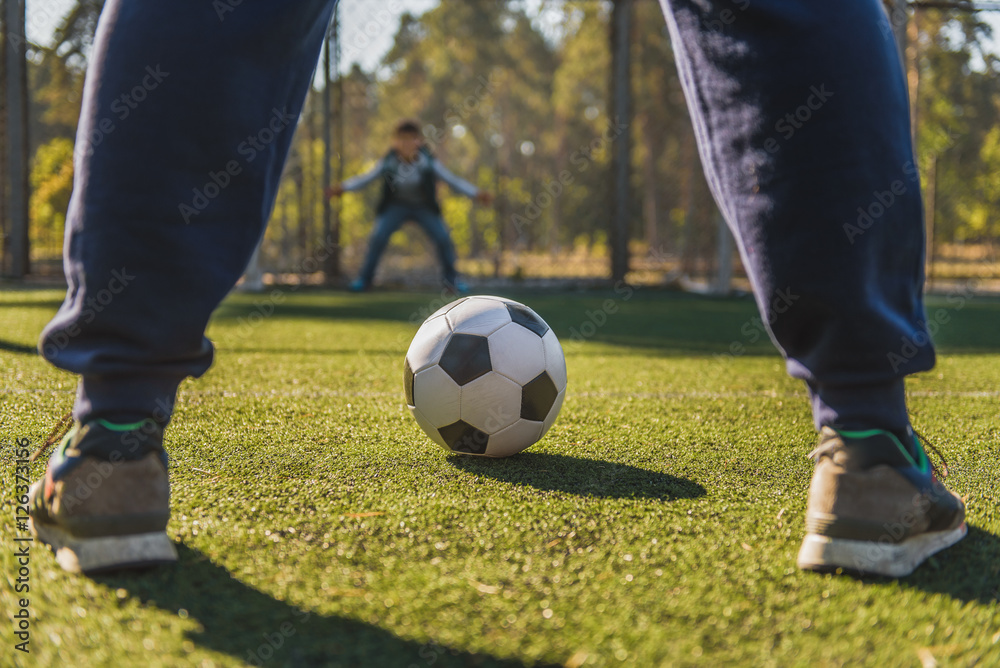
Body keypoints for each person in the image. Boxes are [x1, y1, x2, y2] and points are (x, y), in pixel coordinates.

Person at [30, 0, 964, 577]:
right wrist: (357, 190)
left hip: (426, 214)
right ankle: (870, 447)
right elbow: (370, 188)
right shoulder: (389, 161)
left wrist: (469, 192)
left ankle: (114, 439)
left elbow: (448, 194)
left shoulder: (426, 157)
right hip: (400, 213)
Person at [325, 118, 493, 293]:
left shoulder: (427, 161)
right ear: (395, 141)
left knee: (443, 238)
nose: (407, 143)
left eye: (411, 138)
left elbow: (452, 180)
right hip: (396, 207)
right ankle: (364, 280)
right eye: (402, 139)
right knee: (378, 237)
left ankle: (452, 282)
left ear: (419, 141)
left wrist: (476, 193)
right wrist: (342, 188)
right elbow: (365, 179)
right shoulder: (389, 161)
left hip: (423, 208)